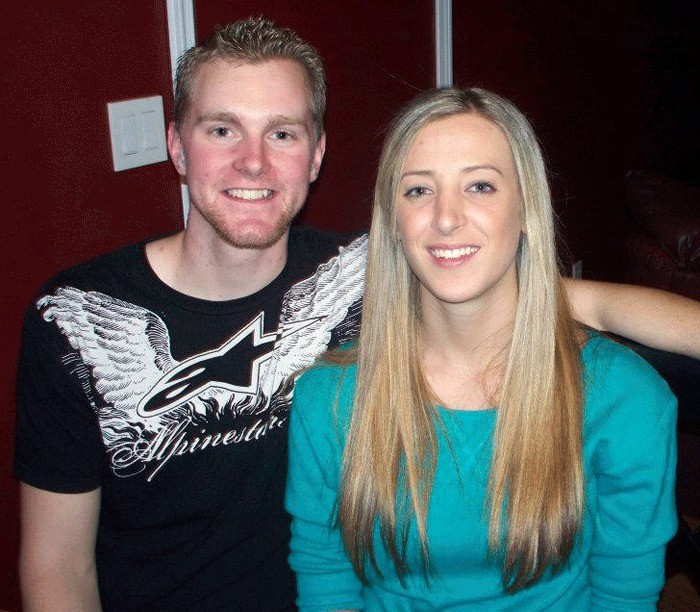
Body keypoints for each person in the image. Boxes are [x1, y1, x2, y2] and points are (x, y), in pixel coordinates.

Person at [13, 16, 698, 612]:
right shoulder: (74, 316)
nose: (252, 162)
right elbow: (56, 565)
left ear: (315, 155)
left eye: (281, 133)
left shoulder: (372, 269)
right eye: (222, 129)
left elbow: (544, 294)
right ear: (175, 145)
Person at [285, 87, 678, 609]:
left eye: (480, 186)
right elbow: (326, 578)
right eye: (418, 191)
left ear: (525, 211)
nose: (447, 217)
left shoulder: (624, 399)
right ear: (393, 224)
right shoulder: (328, 399)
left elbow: (624, 594)